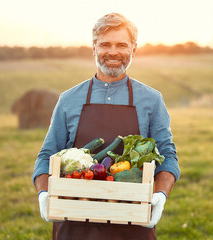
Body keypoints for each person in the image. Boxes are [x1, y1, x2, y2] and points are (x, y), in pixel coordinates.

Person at [32, 12, 180, 240]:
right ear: (93, 48)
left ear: (134, 49)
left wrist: (159, 195)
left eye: (122, 44)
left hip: (132, 220)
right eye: (105, 44)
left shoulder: (152, 100)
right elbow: (46, 155)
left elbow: (168, 155)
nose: (113, 52)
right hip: (74, 221)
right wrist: (43, 194)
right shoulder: (68, 99)